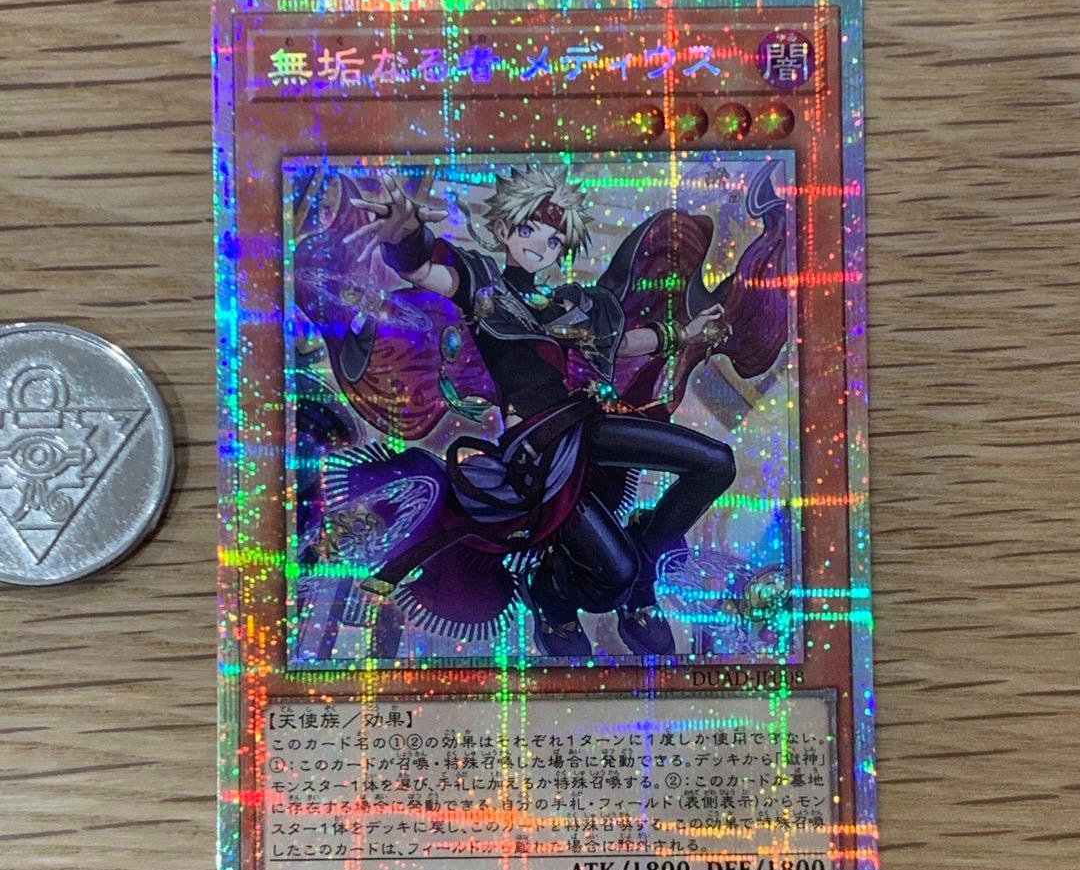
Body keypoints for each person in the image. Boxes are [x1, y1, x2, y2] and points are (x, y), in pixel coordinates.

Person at [294, 162, 787, 659]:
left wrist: (684, 334)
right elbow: (429, 272)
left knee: (716, 464)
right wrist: (406, 239)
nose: (540, 246)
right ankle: (552, 597)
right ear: (504, 230)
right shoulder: (486, 289)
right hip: (537, 449)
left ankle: (646, 556)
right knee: (615, 575)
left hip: (586, 423)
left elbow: (620, 345)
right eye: (529, 229)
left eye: (553, 240)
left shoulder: (569, 303)